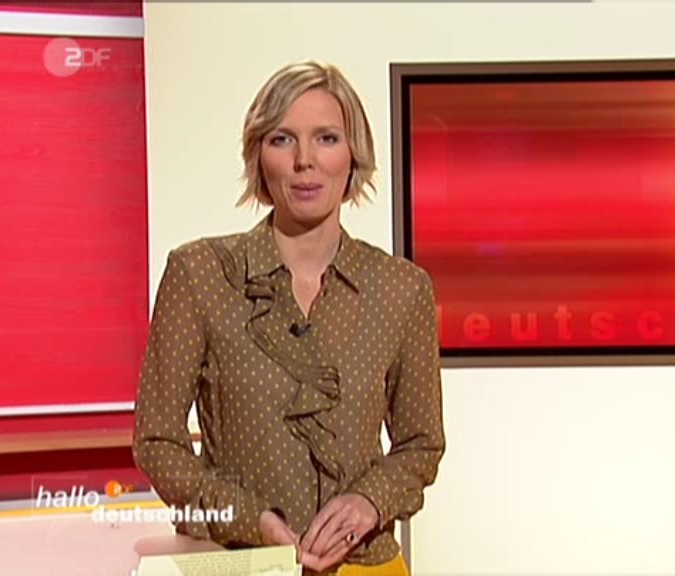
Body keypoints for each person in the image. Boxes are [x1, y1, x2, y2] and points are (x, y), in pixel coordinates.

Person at [132, 60, 445, 576]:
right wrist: (250, 519)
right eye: (282, 140)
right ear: (259, 156)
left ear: (353, 154)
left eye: (326, 138)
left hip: (366, 566)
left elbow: (421, 444)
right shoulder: (200, 274)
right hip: (240, 565)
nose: (305, 161)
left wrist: (369, 502)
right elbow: (158, 442)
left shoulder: (401, 289)